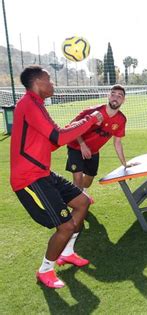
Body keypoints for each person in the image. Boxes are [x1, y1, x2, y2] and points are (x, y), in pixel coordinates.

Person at [10, 65, 104, 289]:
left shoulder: (37, 104)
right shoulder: (29, 104)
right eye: (49, 79)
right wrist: (88, 120)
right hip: (29, 178)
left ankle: (68, 252)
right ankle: (45, 270)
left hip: (42, 173)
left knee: (82, 202)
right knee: (65, 226)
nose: (53, 84)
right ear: (38, 83)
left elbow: (52, 141)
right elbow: (58, 137)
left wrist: (73, 128)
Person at [65, 84, 136, 191]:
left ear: (123, 100)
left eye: (119, 96)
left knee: (87, 183)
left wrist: (124, 164)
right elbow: (72, 125)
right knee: (78, 179)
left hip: (93, 152)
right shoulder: (93, 111)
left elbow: (117, 142)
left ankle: (74, 190)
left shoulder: (121, 120)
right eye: (113, 94)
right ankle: (78, 204)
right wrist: (82, 145)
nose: (115, 98)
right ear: (108, 96)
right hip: (76, 146)